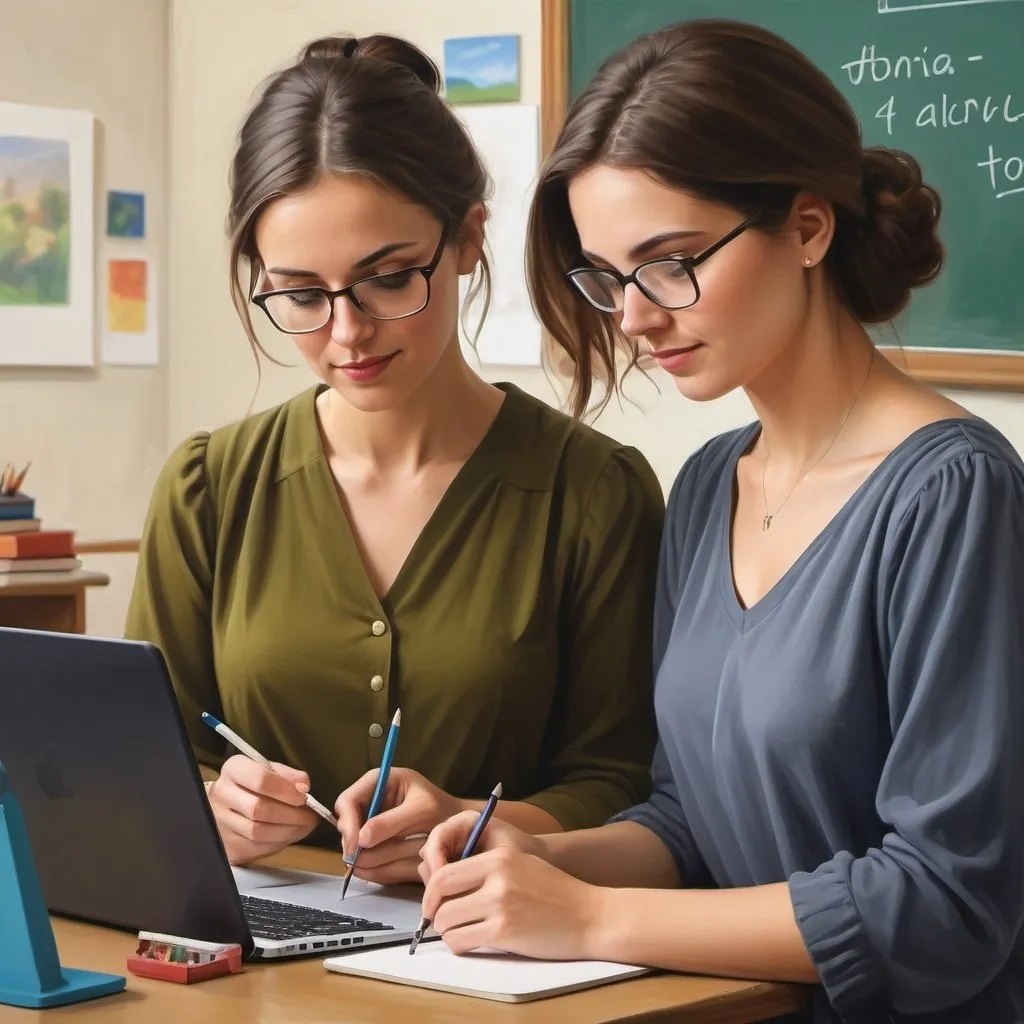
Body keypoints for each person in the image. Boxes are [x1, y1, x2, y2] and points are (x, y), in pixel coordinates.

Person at [418, 19, 1024, 1023]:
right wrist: (537, 855)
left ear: (807, 227)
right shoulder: (706, 485)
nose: (637, 318)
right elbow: (695, 821)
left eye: (672, 261)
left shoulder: (952, 495)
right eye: (608, 278)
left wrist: (594, 919)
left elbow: (944, 904)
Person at [124, 34, 664, 874]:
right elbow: (148, 757)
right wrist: (214, 805)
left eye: (388, 277)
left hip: (501, 963)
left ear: (469, 240)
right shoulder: (208, 488)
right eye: (300, 293)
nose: (346, 333)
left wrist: (477, 822)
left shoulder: (593, 493)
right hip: (255, 977)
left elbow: (622, 779)